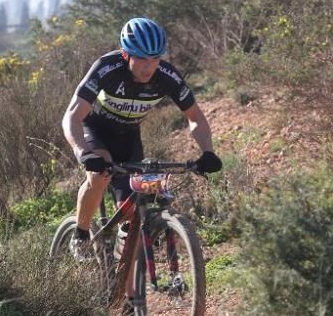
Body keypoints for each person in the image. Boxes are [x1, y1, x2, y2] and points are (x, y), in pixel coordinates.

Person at [61, 17, 222, 259]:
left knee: (130, 213)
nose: (149, 67)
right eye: (142, 59)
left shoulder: (167, 76)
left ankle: (126, 289)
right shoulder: (107, 69)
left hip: (128, 136)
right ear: (127, 55)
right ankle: (81, 234)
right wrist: (83, 153)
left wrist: (208, 151)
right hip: (95, 128)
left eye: (155, 59)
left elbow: (195, 117)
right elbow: (72, 117)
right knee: (99, 173)